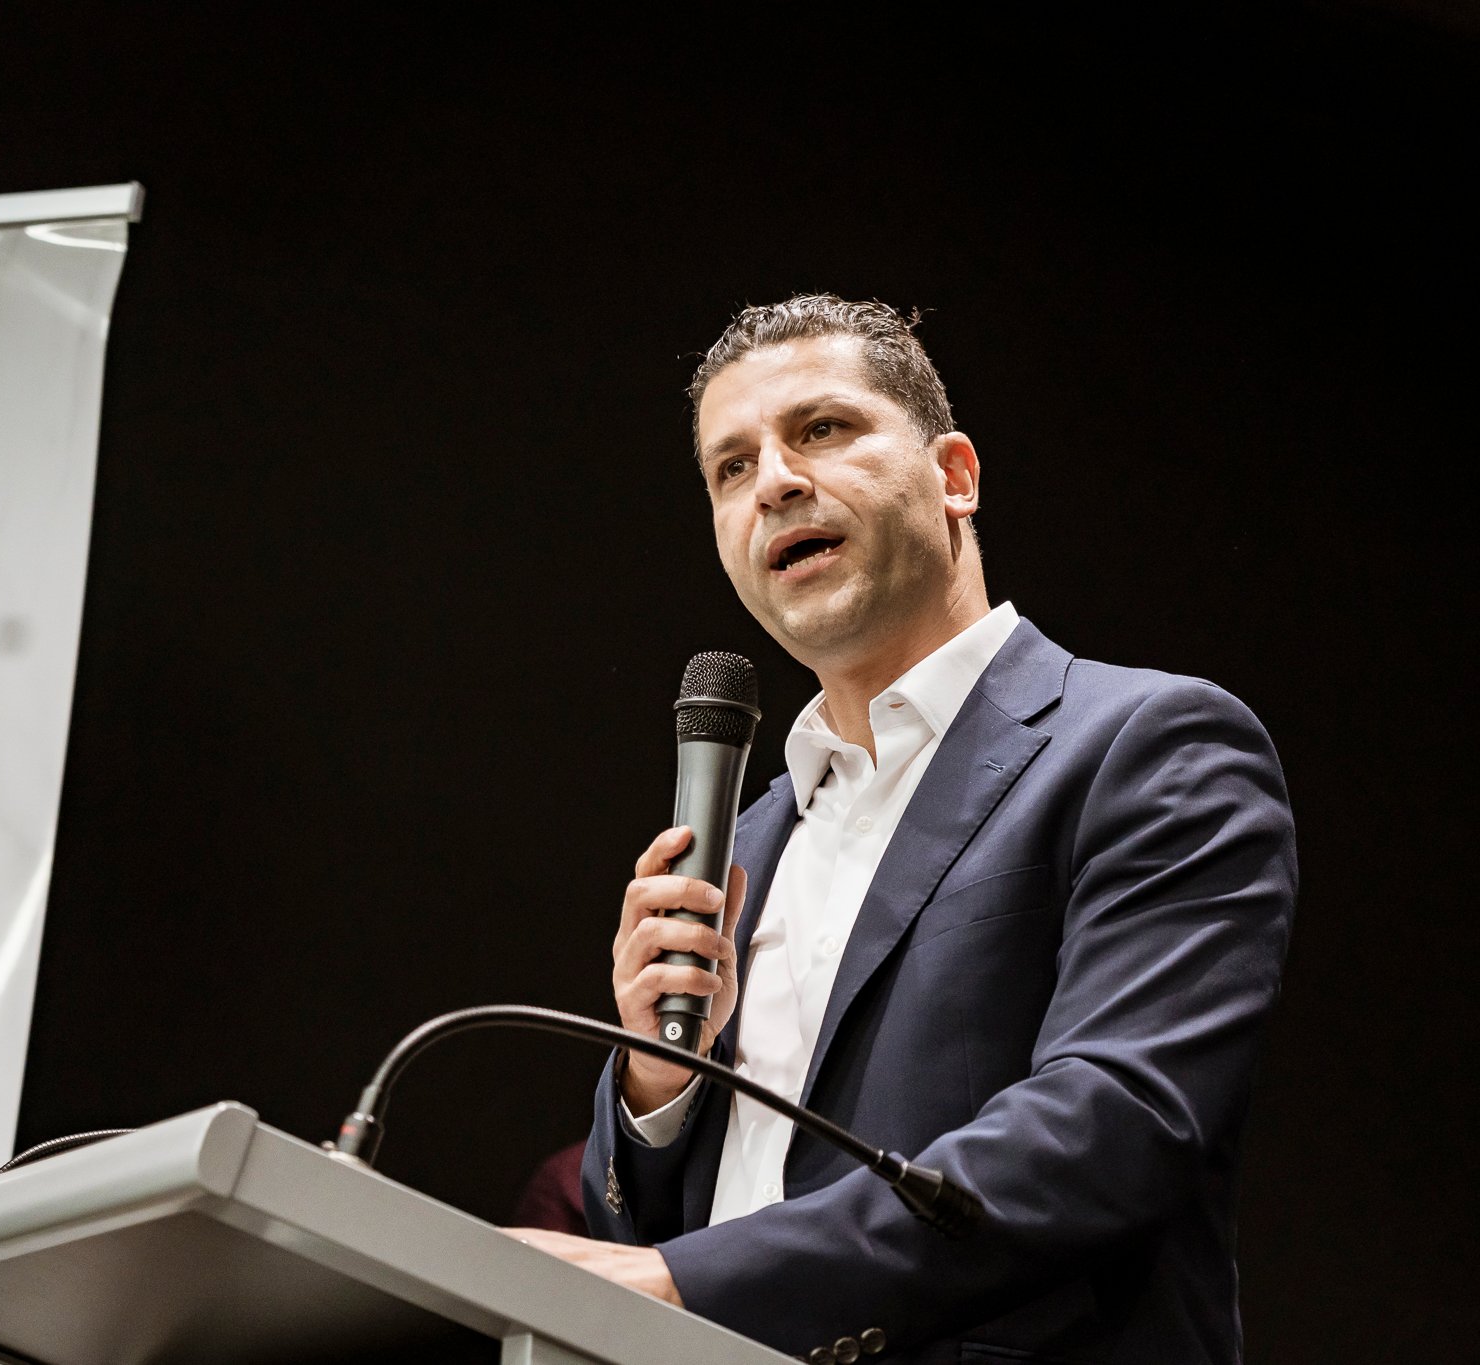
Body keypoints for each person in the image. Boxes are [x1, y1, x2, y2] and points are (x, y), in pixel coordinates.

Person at [509, 296, 1297, 1364]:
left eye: (821, 430)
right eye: (730, 468)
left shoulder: (1146, 746)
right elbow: (637, 1239)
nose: (774, 481)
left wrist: (693, 1281)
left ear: (954, 477)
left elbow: (1109, 1129)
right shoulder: (743, 841)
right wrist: (658, 1089)